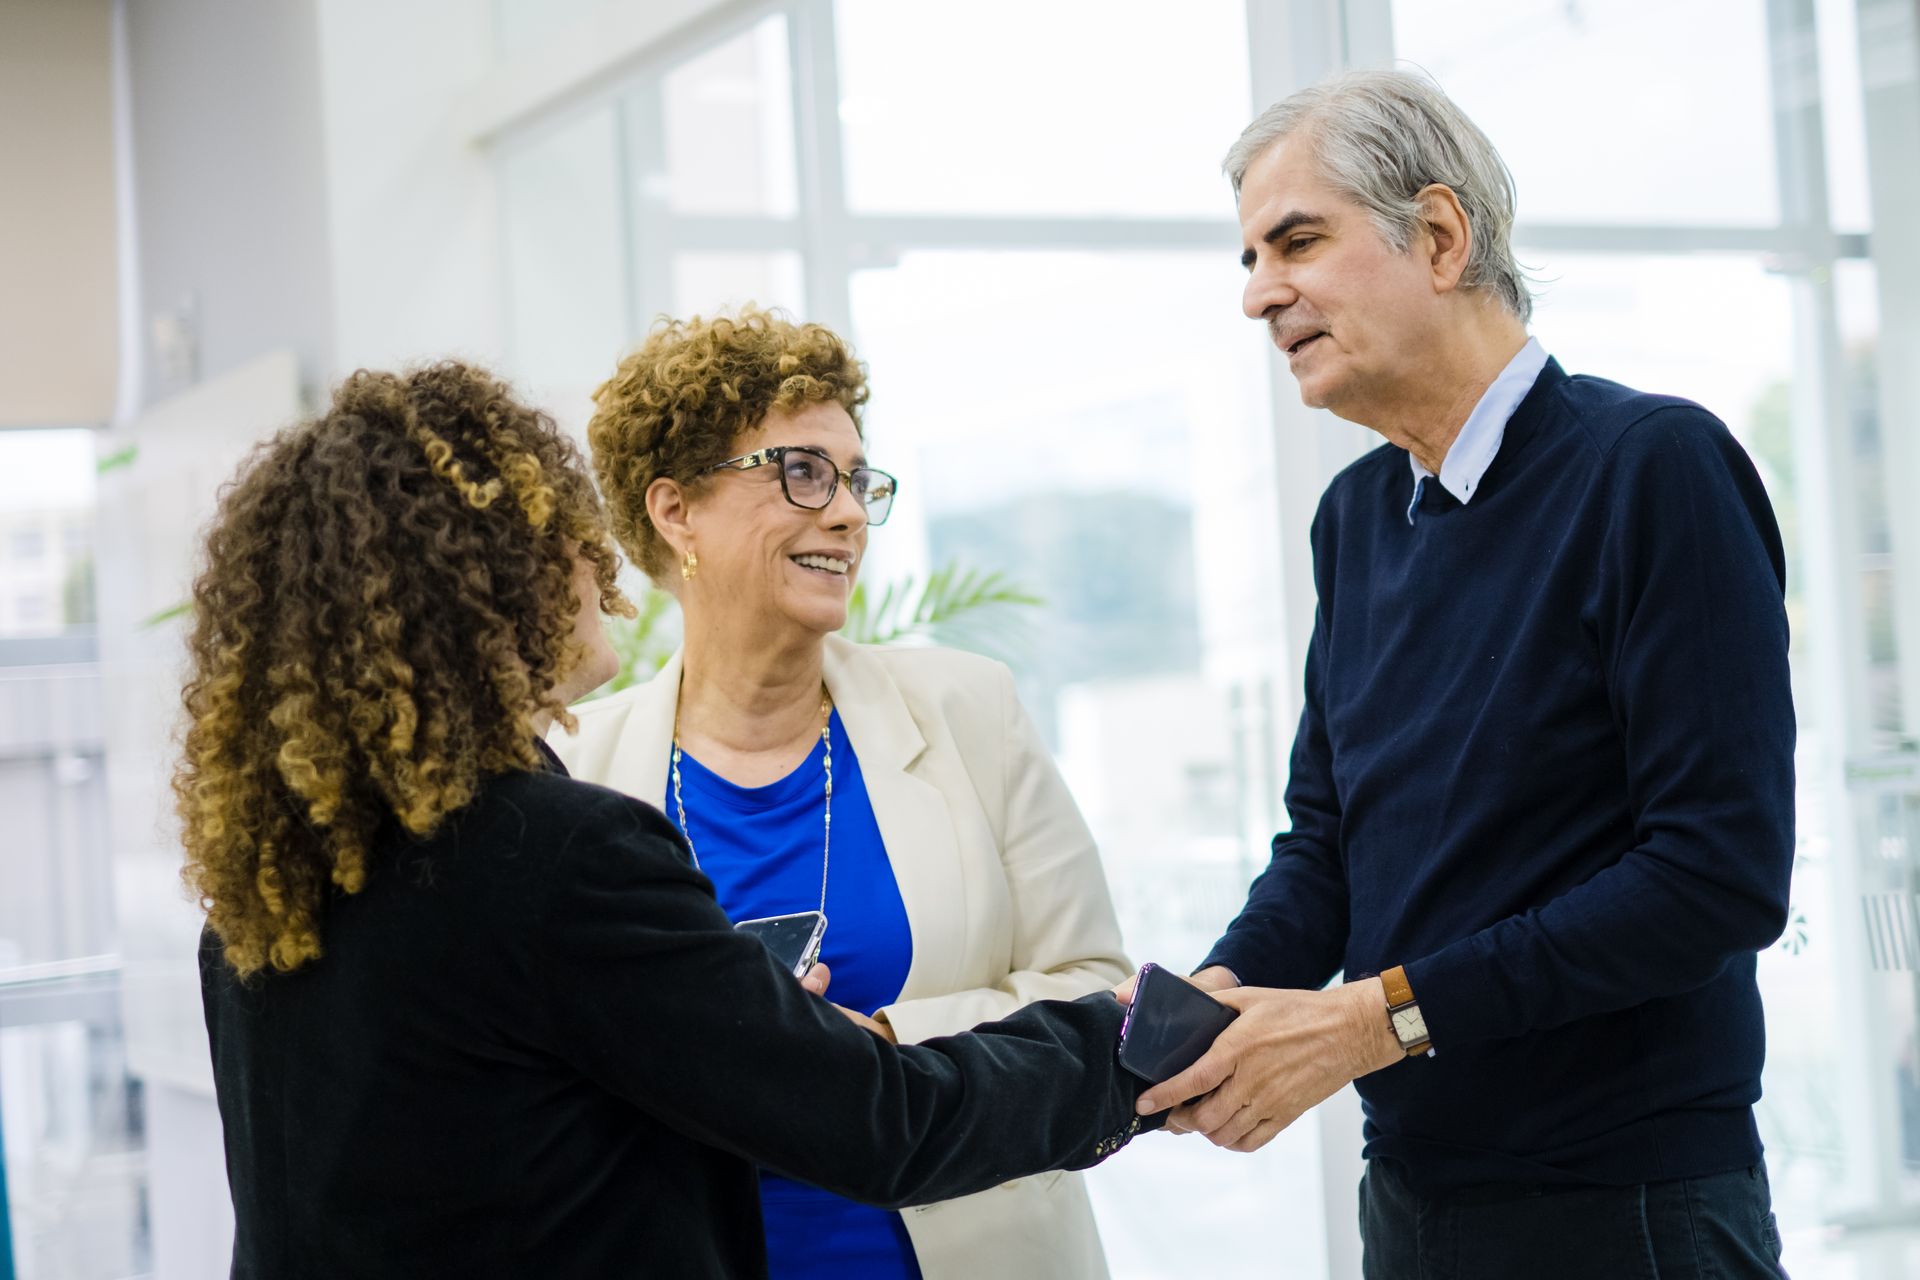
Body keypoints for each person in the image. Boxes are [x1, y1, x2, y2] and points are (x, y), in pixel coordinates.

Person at [178, 362, 1153, 1280]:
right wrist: (1154, 1040)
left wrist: (717, 998)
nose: (589, 555)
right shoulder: (555, 851)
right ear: (476, 579)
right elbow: (888, 1121)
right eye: (554, 528)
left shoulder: (268, 899)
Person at [1127, 69, 1793, 1278]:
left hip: (1630, 1208)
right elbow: (1328, 845)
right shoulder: (1358, 517)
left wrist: (1370, 1018)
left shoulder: (1654, 469)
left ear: (1439, 236)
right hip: (1417, 1203)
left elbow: (1717, 877)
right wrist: (1219, 998)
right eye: (1249, 257)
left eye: (1297, 242)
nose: (1259, 293)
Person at [552, 308, 1129, 1280]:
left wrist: (879, 1048)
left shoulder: (967, 710)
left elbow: (1098, 990)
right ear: (674, 510)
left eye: (857, 480)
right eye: (802, 472)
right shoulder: (574, 772)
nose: (850, 511)